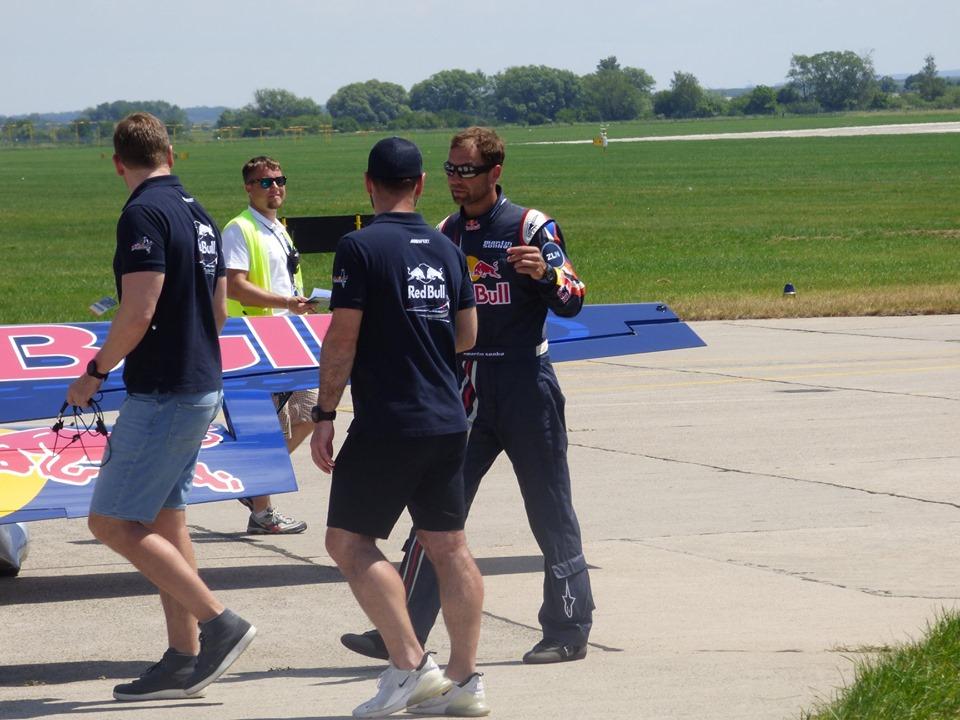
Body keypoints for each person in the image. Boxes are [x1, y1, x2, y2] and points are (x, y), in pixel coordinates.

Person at [341, 126, 594, 665]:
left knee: (550, 508)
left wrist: (546, 274)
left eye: (467, 170)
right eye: (450, 170)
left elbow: (574, 296)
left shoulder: (531, 226)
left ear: (495, 172)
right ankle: (403, 628)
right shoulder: (444, 234)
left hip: (527, 385)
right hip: (466, 387)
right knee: (437, 515)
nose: (456, 179)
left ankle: (568, 627)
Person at [66, 112, 256, 701]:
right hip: (200, 381)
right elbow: (218, 311)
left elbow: (138, 309)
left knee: (110, 522)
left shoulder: (143, 213)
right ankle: (182, 657)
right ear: (171, 154)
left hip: (164, 391)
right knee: (166, 522)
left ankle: (219, 623)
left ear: (117, 162)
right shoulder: (198, 213)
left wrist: (95, 372)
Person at [311, 136, 489, 717]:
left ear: (369, 184)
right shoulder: (445, 248)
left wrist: (324, 413)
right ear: (421, 184)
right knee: (450, 547)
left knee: (348, 542)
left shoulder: (359, 246)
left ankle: (410, 664)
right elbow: (468, 335)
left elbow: (342, 338)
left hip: (390, 420)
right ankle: (465, 680)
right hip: (447, 418)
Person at [222, 156, 312, 535]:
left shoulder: (278, 229)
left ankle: (253, 481)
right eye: (264, 182)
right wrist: (286, 303)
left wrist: (299, 307)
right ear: (248, 187)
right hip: (257, 341)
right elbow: (234, 285)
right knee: (267, 427)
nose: (275, 187)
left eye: (279, 180)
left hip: (289, 337)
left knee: (309, 414)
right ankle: (263, 512)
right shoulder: (239, 229)